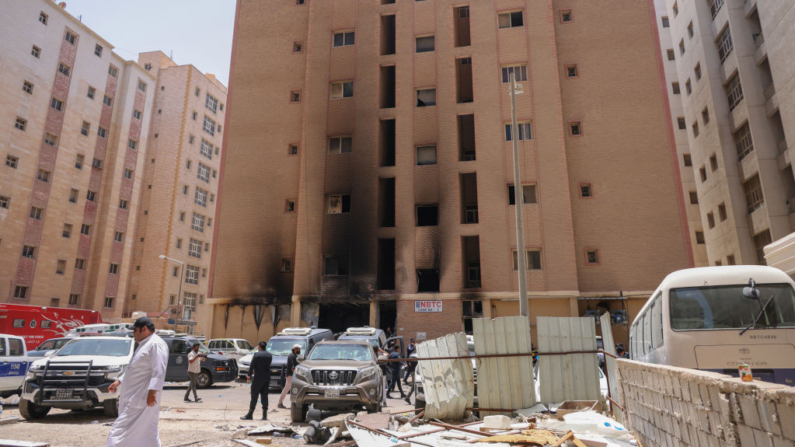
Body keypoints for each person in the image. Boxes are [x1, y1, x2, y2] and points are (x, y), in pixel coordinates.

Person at [106, 317, 168, 447]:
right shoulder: (144, 345)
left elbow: (159, 369)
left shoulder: (155, 344)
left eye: (135, 330)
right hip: (135, 397)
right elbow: (135, 368)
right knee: (147, 433)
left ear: (144, 329)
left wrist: (153, 391)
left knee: (118, 432)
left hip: (142, 397)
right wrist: (119, 381)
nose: (133, 333)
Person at [242, 341, 273, 420]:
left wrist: (248, 376)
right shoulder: (269, 355)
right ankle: (264, 415)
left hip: (258, 378)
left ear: (259, 347)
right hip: (266, 378)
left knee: (254, 396)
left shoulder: (256, 355)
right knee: (265, 396)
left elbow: (252, 366)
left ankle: (250, 414)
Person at [277, 344, 301, 409]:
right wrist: (298, 374)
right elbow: (292, 368)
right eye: (298, 348)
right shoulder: (292, 356)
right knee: (286, 389)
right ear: (295, 349)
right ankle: (279, 403)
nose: (299, 350)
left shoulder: (295, 356)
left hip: (292, 375)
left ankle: (295, 403)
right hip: (291, 375)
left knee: (293, 389)